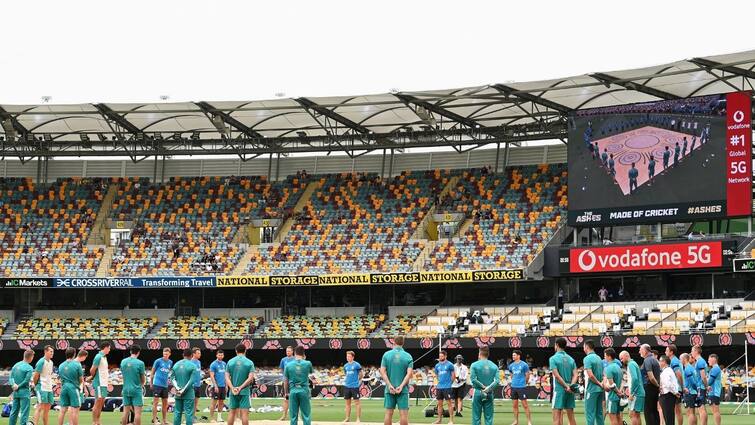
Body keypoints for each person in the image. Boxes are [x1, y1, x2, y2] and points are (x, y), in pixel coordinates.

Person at [380, 336, 414, 425]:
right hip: (403, 390)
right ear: (403, 343)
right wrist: (401, 386)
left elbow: (382, 372)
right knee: (403, 415)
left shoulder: (386, 354)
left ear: (394, 342)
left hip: (389, 389)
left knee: (388, 414)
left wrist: (389, 385)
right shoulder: (408, 356)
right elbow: (409, 374)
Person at [550, 337, 578, 425]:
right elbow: (576, 374)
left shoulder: (553, 359)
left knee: (556, 416)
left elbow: (557, 376)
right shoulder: (571, 359)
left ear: (557, 345)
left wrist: (566, 386)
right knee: (571, 417)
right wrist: (571, 386)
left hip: (559, 390)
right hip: (569, 390)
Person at [284, 346, 315, 425]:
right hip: (304, 390)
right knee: (306, 415)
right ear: (303, 354)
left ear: (294, 353)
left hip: (293, 390)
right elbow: (312, 375)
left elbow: (286, 381)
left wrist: (286, 393)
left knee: (293, 416)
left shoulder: (288, 365)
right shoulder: (308, 363)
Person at [225, 344, 255, 425]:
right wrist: (240, 388)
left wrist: (232, 388)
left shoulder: (230, 362)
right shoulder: (249, 362)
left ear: (236, 351)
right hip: (244, 391)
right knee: (244, 414)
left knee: (232, 413)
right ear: (245, 350)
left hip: (233, 391)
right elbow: (250, 378)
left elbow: (227, 377)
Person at [469, 346, 498, 425]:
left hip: (478, 391)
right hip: (489, 393)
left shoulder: (474, 365)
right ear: (488, 354)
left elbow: (473, 379)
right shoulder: (494, 366)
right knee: (489, 417)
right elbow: (497, 381)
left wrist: (483, 386)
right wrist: (488, 388)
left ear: (479, 353)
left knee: (476, 417)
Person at [171, 349, 198, 425]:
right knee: (189, 414)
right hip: (188, 394)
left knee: (177, 413)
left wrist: (178, 388)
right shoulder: (193, 366)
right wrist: (183, 390)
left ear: (183, 355)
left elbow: (172, 378)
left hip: (178, 393)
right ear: (192, 355)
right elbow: (191, 381)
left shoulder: (176, 364)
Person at [121, 345, 146, 425]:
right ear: (138, 353)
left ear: (130, 351)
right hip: (136, 389)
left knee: (125, 412)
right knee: (137, 413)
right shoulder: (140, 363)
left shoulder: (123, 361)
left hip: (126, 388)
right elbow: (143, 379)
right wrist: (141, 385)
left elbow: (124, 376)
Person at [58, 348, 84, 425]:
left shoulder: (61, 365)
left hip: (64, 387)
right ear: (74, 354)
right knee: (75, 410)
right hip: (73, 387)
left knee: (62, 410)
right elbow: (81, 379)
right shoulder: (77, 364)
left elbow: (60, 378)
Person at [9, 349, 35, 425]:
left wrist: (13, 385)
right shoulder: (29, 368)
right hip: (24, 392)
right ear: (31, 357)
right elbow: (26, 380)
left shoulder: (16, 365)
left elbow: (10, 377)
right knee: (24, 413)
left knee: (14, 412)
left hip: (16, 392)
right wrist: (18, 386)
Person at [582, 340, 605, 425]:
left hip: (591, 389)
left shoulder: (587, 358)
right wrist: (601, 384)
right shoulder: (599, 358)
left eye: (584, 347)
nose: (583, 349)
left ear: (587, 347)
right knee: (599, 413)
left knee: (590, 414)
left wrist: (599, 383)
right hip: (600, 389)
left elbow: (590, 375)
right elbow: (603, 374)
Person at [620, 350, 645, 425]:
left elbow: (635, 379)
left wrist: (632, 393)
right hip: (639, 392)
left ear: (627, 356)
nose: (621, 361)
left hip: (636, 393)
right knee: (636, 415)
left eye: (622, 358)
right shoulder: (633, 363)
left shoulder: (631, 364)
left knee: (632, 414)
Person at [32, 345, 55, 425]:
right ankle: (34, 423)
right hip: (42, 387)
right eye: (51, 351)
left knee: (47, 409)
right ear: (45, 352)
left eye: (53, 351)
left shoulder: (51, 362)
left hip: (49, 388)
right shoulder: (41, 361)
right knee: (39, 407)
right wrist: (37, 385)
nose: (52, 353)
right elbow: (35, 376)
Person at [508, 350, 532, 425]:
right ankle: (516, 421)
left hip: (521, 387)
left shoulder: (524, 365)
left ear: (518, 356)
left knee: (525, 405)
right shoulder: (511, 365)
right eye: (512, 355)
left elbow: (527, 375)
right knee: (514, 405)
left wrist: (524, 382)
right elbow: (511, 375)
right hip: (513, 387)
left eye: (514, 355)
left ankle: (529, 421)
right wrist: (514, 381)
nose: (513, 356)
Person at [91, 342, 111, 425]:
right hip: (99, 383)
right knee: (97, 402)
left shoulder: (104, 357)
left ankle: (98, 421)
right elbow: (92, 370)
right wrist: (93, 377)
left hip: (104, 383)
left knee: (101, 403)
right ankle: (94, 422)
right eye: (109, 348)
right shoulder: (98, 356)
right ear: (105, 348)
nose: (109, 350)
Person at [640, 344, 661, 425]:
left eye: (641, 350)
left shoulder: (647, 360)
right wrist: (658, 386)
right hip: (654, 387)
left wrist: (657, 385)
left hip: (649, 387)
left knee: (648, 411)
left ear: (645, 351)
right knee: (654, 410)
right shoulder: (655, 359)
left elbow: (651, 377)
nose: (639, 352)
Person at [433, 350, 456, 424]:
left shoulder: (450, 365)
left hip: (447, 387)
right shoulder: (437, 365)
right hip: (439, 387)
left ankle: (451, 420)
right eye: (439, 356)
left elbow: (453, 376)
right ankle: (439, 420)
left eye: (442, 356)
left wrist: (449, 383)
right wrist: (439, 382)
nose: (440, 357)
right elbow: (436, 374)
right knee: (439, 404)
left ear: (445, 356)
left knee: (449, 404)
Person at [151, 348, 173, 425]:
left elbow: (168, 373)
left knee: (165, 404)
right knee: (155, 403)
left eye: (166, 354)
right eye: (164, 354)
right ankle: (154, 420)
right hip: (157, 384)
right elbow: (152, 372)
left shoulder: (170, 362)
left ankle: (164, 420)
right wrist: (151, 383)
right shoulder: (158, 361)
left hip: (165, 386)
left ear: (170, 354)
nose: (165, 355)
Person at [603, 349, 623, 425]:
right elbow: (620, 383)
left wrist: (605, 384)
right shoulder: (618, 367)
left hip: (612, 396)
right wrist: (620, 392)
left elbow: (611, 385)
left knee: (612, 418)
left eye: (605, 356)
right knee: (618, 417)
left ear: (609, 357)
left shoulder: (609, 368)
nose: (604, 358)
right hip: (618, 397)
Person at [659, 356, 681, 425]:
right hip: (668, 395)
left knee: (668, 418)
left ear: (664, 362)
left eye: (660, 361)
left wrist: (675, 392)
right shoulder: (668, 370)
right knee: (668, 417)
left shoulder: (667, 371)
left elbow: (667, 384)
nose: (659, 362)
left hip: (667, 396)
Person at [665, 345, 683, 425]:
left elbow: (678, 374)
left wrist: (682, 387)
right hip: (676, 388)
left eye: (667, 350)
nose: (665, 352)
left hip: (676, 389)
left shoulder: (674, 361)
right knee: (677, 410)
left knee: (677, 410)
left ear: (671, 352)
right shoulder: (674, 360)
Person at [343, 351, 363, 423]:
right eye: (347, 356)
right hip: (347, 386)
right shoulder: (345, 366)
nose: (347, 358)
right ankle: (347, 418)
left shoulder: (357, 365)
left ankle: (358, 419)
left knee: (357, 403)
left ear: (352, 357)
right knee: (347, 404)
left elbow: (361, 375)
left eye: (349, 356)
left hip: (354, 386)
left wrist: (357, 382)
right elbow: (346, 374)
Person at [691, 345, 708, 425]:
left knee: (701, 408)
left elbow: (703, 376)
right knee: (700, 408)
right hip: (700, 387)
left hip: (700, 387)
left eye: (692, 351)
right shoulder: (700, 361)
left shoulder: (700, 361)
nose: (691, 353)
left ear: (696, 351)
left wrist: (706, 386)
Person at [209, 349, 227, 423]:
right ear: (216, 355)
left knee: (221, 402)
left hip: (223, 386)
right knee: (214, 402)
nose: (220, 356)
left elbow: (226, 375)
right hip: (216, 386)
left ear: (223, 356)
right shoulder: (213, 364)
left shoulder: (224, 364)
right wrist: (215, 385)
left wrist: (226, 385)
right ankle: (212, 418)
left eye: (222, 355)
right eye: (219, 355)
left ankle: (219, 417)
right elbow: (212, 376)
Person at [681, 353, 700, 425]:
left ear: (684, 359)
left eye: (681, 359)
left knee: (690, 412)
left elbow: (692, 381)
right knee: (693, 412)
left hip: (690, 392)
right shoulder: (692, 367)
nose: (680, 360)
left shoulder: (687, 368)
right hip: (693, 392)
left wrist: (695, 389)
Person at [278, 346, 295, 421]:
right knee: (286, 399)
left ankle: (296, 416)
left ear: (292, 351)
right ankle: (284, 416)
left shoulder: (295, 359)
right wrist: (285, 375)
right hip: (286, 382)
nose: (287, 352)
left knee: (296, 399)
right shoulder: (283, 360)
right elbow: (281, 369)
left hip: (294, 381)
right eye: (287, 351)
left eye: (289, 351)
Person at [706, 354, 722, 425]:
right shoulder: (714, 368)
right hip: (713, 392)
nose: (708, 361)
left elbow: (710, 381)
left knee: (715, 411)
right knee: (715, 411)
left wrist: (704, 382)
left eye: (709, 359)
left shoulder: (715, 369)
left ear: (714, 359)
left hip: (714, 392)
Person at [190, 348, 203, 420]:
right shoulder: (190, 362)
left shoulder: (199, 362)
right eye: (198, 353)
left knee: (196, 402)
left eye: (200, 353)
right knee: (190, 402)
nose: (200, 354)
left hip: (198, 385)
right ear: (194, 354)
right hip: (192, 385)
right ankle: (189, 416)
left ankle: (193, 416)